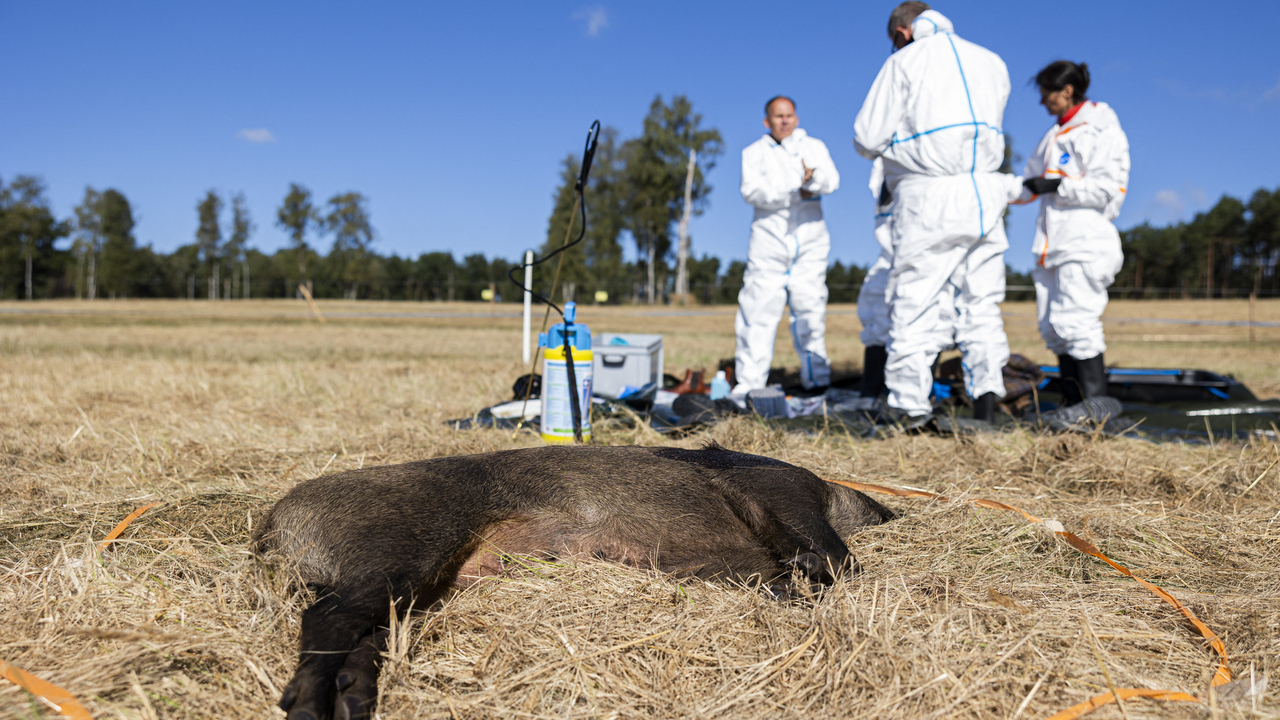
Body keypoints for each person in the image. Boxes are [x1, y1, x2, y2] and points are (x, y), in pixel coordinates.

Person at [853, 2, 1022, 423]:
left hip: (929, 195)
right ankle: (986, 402)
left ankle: (908, 406)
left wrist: (898, 147)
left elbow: (866, 136)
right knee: (980, 302)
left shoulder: (907, 60)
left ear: (903, 32)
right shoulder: (992, 61)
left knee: (915, 299)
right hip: (984, 192)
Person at [1018, 60, 1130, 405]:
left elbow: (1108, 189)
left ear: (1067, 91)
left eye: (1046, 94)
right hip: (1051, 245)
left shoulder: (1100, 128)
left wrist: (1057, 185)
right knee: (1054, 328)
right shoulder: (1052, 136)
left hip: (1084, 241)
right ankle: (1072, 407)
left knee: (1077, 323)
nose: (1042, 103)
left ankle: (1095, 409)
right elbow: (1025, 183)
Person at [736, 96, 840, 393]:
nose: (784, 121)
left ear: (796, 118)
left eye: (789, 116)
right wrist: (794, 189)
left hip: (810, 241)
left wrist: (811, 183)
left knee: (810, 309)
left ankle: (816, 380)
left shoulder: (814, 147)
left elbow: (831, 181)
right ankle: (750, 384)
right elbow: (751, 191)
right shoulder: (753, 153)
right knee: (758, 311)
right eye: (778, 116)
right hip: (768, 243)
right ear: (767, 121)